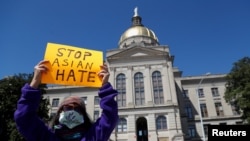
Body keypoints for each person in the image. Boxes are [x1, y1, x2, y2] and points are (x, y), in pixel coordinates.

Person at [14, 60, 118, 141]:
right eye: (67, 107)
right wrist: (35, 82)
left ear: (83, 115)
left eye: (77, 108)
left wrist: (105, 86)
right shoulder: (46, 137)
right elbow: (24, 117)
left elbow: (110, 117)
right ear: (59, 112)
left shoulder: (93, 136)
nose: (72, 111)